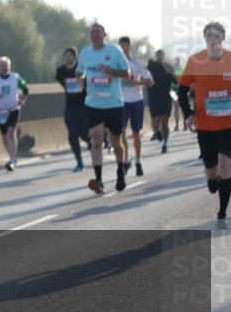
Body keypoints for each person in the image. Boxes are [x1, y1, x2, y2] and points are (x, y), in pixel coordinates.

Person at [177, 22, 231, 228]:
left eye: (217, 35)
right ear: (205, 38)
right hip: (205, 127)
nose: (213, 38)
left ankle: (222, 212)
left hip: (228, 125)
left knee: (226, 165)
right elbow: (181, 91)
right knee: (212, 171)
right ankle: (211, 178)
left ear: (223, 38)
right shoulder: (195, 61)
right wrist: (188, 114)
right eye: (209, 35)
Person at [76, 23, 130, 194]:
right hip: (93, 104)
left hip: (114, 104)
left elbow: (127, 74)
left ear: (105, 34)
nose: (94, 34)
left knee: (116, 142)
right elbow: (79, 71)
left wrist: (111, 71)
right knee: (96, 141)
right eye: (92, 32)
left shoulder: (114, 51)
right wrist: (81, 77)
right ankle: (98, 180)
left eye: (98, 32)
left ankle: (120, 169)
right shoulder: (85, 53)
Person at [0, 57, 29, 171]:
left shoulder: (15, 77)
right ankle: (12, 157)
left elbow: (25, 88)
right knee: (5, 137)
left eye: (6, 66)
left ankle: (13, 160)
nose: (4, 68)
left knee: (11, 132)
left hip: (13, 108)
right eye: (2, 66)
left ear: (9, 66)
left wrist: (22, 99)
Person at [118, 36, 154, 177]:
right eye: (122, 46)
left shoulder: (137, 63)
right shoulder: (116, 63)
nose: (125, 48)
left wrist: (136, 82)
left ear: (130, 47)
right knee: (120, 132)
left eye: (127, 45)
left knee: (136, 133)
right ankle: (126, 158)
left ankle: (138, 161)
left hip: (136, 100)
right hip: (121, 101)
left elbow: (150, 82)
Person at [56, 47, 91, 171]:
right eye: (66, 55)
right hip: (70, 107)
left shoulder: (82, 70)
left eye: (70, 55)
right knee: (72, 135)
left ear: (74, 57)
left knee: (85, 135)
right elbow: (62, 83)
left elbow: (88, 83)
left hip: (84, 107)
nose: (68, 57)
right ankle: (79, 162)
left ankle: (91, 145)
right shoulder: (61, 71)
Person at [146, 49, 179, 152]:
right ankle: (157, 131)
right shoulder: (150, 67)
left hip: (165, 97)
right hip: (153, 97)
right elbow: (144, 77)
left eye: (162, 55)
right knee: (155, 122)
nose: (160, 56)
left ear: (164, 56)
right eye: (158, 55)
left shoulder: (169, 67)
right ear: (155, 56)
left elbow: (176, 82)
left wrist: (174, 75)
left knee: (165, 122)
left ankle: (165, 144)